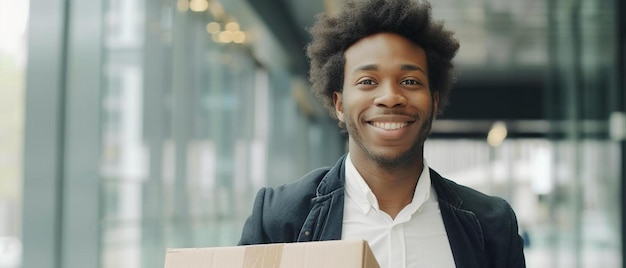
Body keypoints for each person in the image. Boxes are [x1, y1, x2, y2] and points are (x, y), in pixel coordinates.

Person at [238, 0, 526, 267]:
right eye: (367, 81)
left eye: (410, 81)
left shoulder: (492, 225)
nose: (390, 97)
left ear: (434, 102)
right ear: (339, 104)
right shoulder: (280, 216)